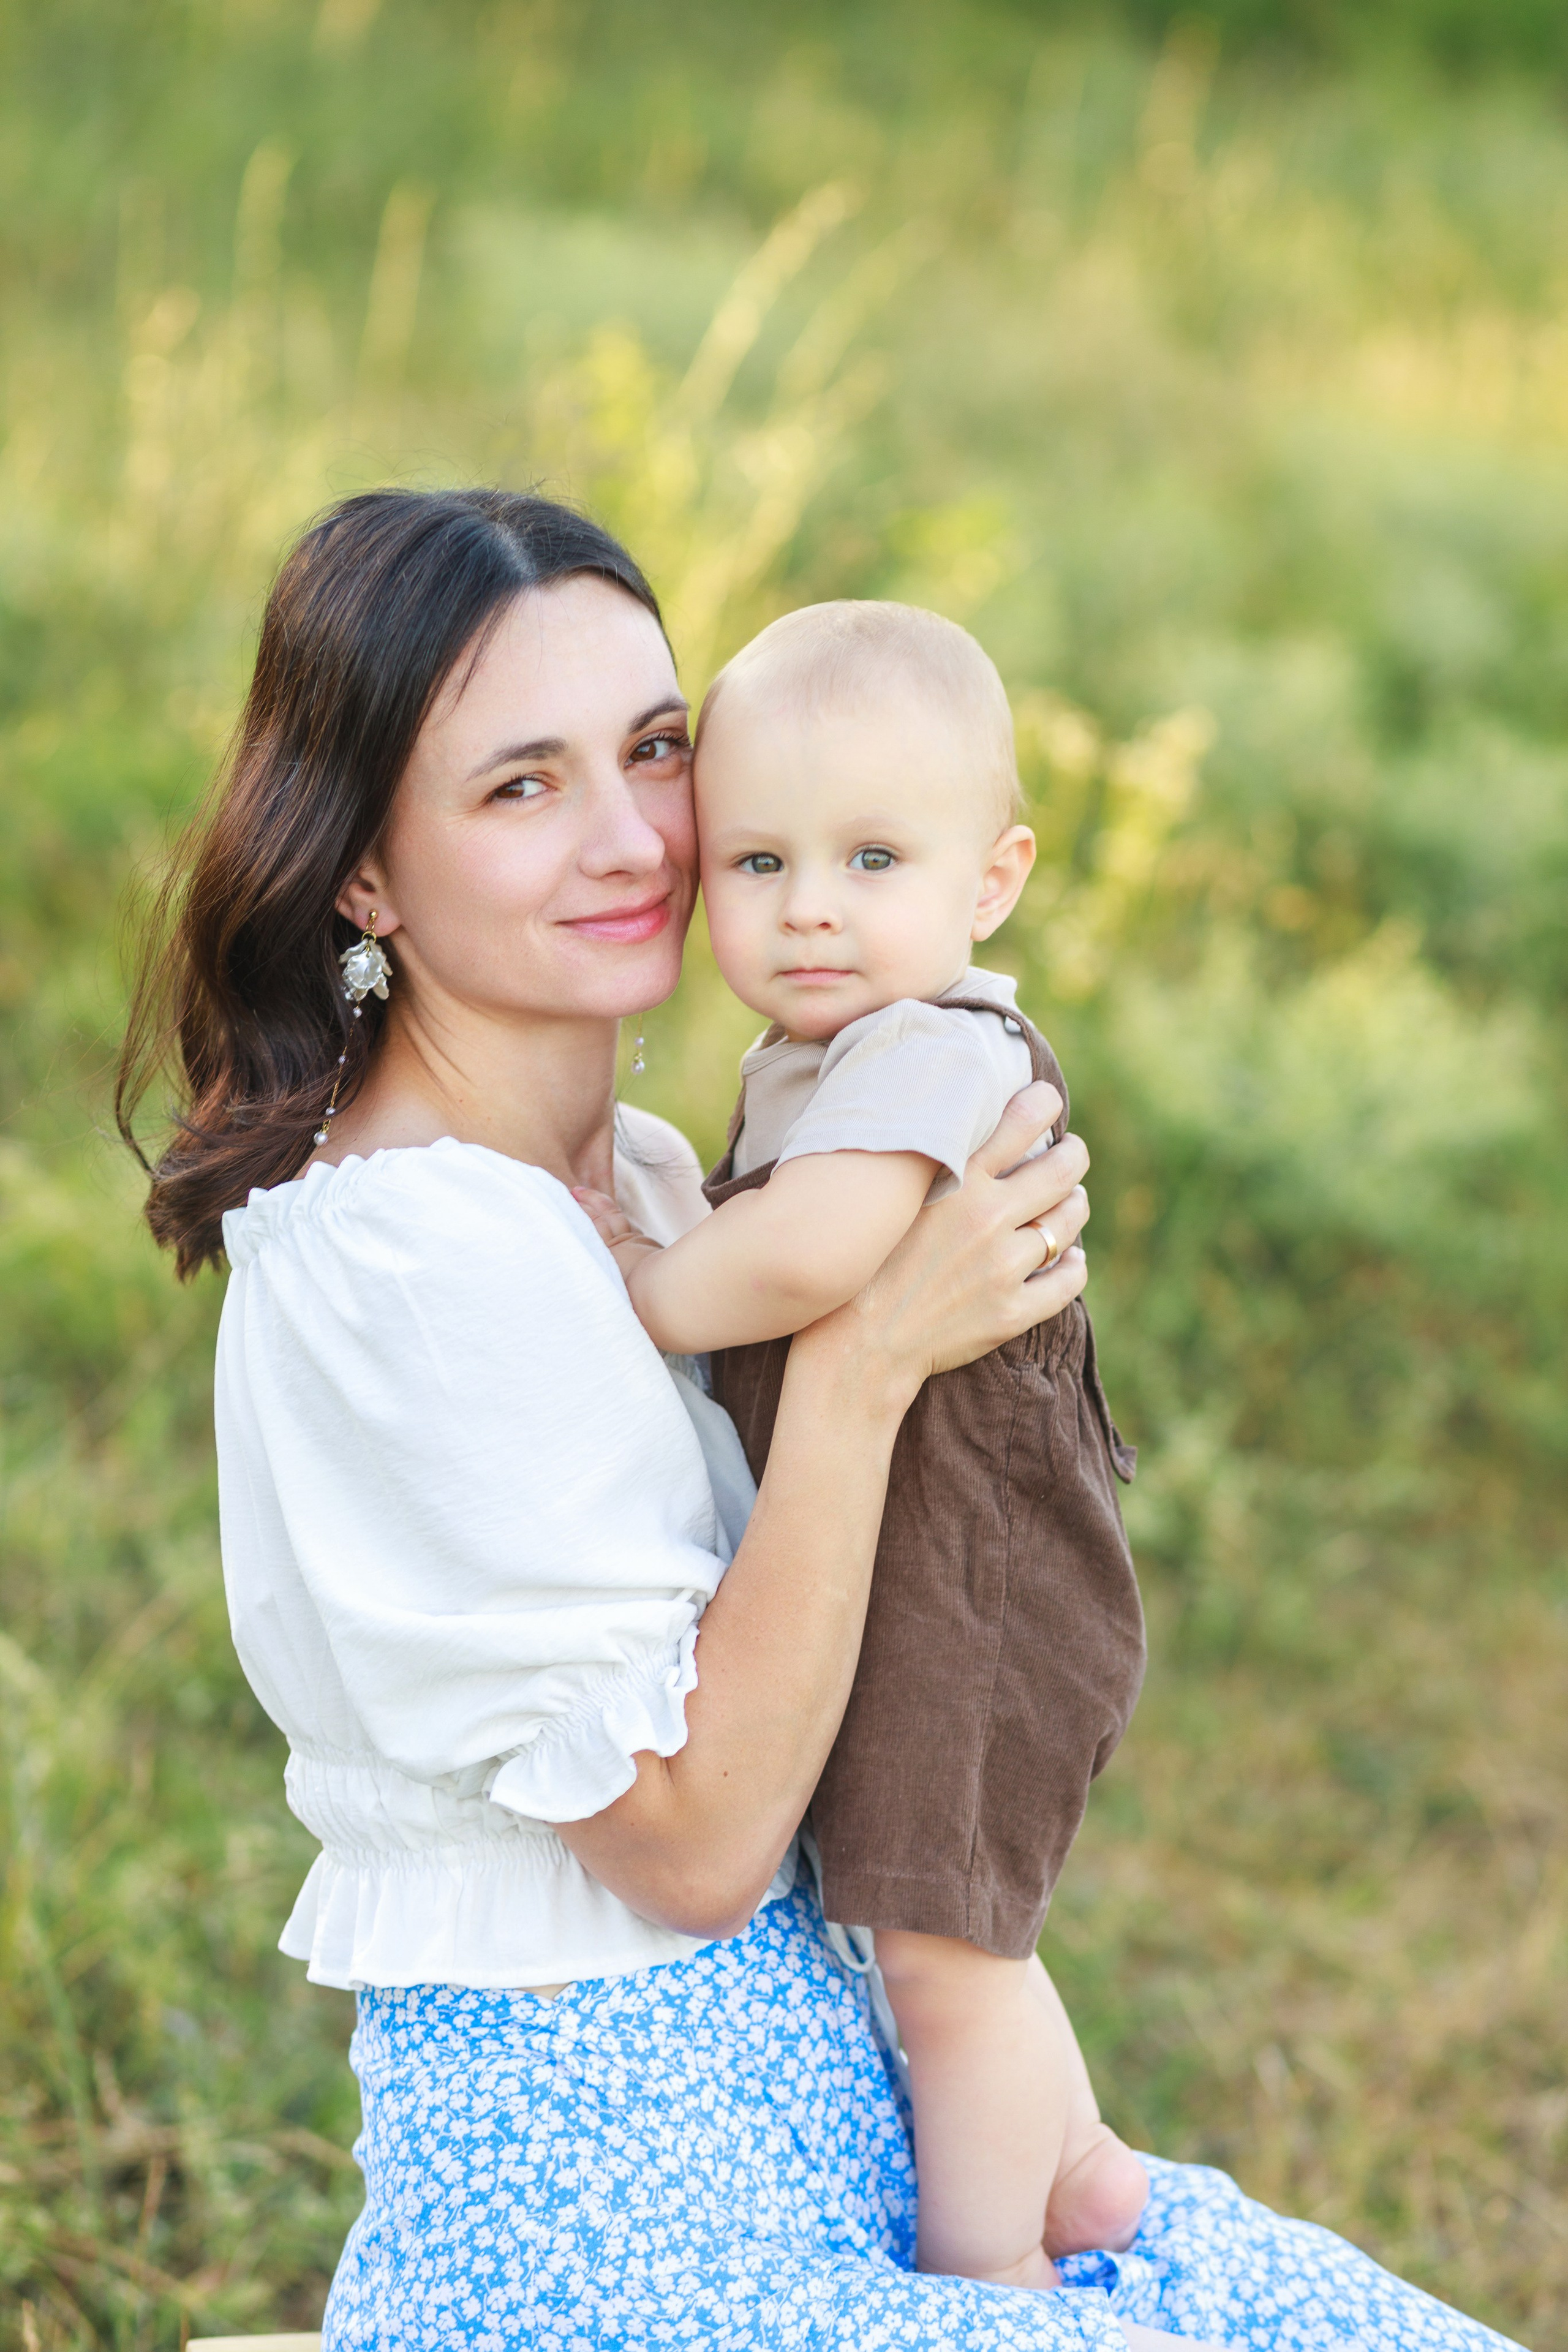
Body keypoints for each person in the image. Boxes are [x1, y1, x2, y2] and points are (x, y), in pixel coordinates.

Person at [118, 485, 1526, 2352]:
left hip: (839, 2117)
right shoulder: (408, 1258)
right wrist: (867, 1368)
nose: (632, 839)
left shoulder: (630, 1175)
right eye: (519, 786)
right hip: (611, 2213)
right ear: (364, 874)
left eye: (654, 749)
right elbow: (696, 1853)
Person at [573, 598, 1149, 2293]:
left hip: (973, 1590)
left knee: (939, 1944)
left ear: (993, 881)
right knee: (953, 1902)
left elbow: (818, 1253)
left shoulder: (923, 1049)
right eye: (757, 862)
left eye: (873, 858)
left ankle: (988, 2281)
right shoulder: (822, 1055)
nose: (809, 905)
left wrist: (645, 1280)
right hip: (941, 1581)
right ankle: (1084, 2164)